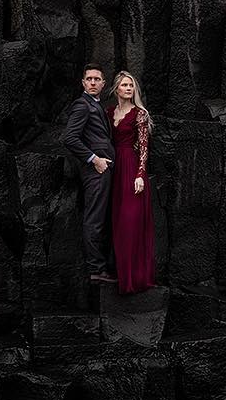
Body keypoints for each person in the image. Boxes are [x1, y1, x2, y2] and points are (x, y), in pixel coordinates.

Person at [61, 64, 117, 282]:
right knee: (94, 218)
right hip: (96, 171)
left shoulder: (96, 105)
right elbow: (69, 138)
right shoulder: (82, 105)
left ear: (103, 84)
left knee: (101, 218)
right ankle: (96, 269)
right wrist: (94, 159)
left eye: (97, 79)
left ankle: (102, 266)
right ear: (83, 83)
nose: (93, 82)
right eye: (89, 79)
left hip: (103, 170)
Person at [106, 71, 156, 295]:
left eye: (132, 86)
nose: (129, 89)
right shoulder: (109, 112)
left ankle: (133, 279)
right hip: (113, 170)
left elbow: (144, 147)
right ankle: (120, 276)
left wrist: (140, 175)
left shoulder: (140, 114)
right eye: (125, 85)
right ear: (116, 89)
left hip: (132, 170)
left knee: (130, 223)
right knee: (116, 223)